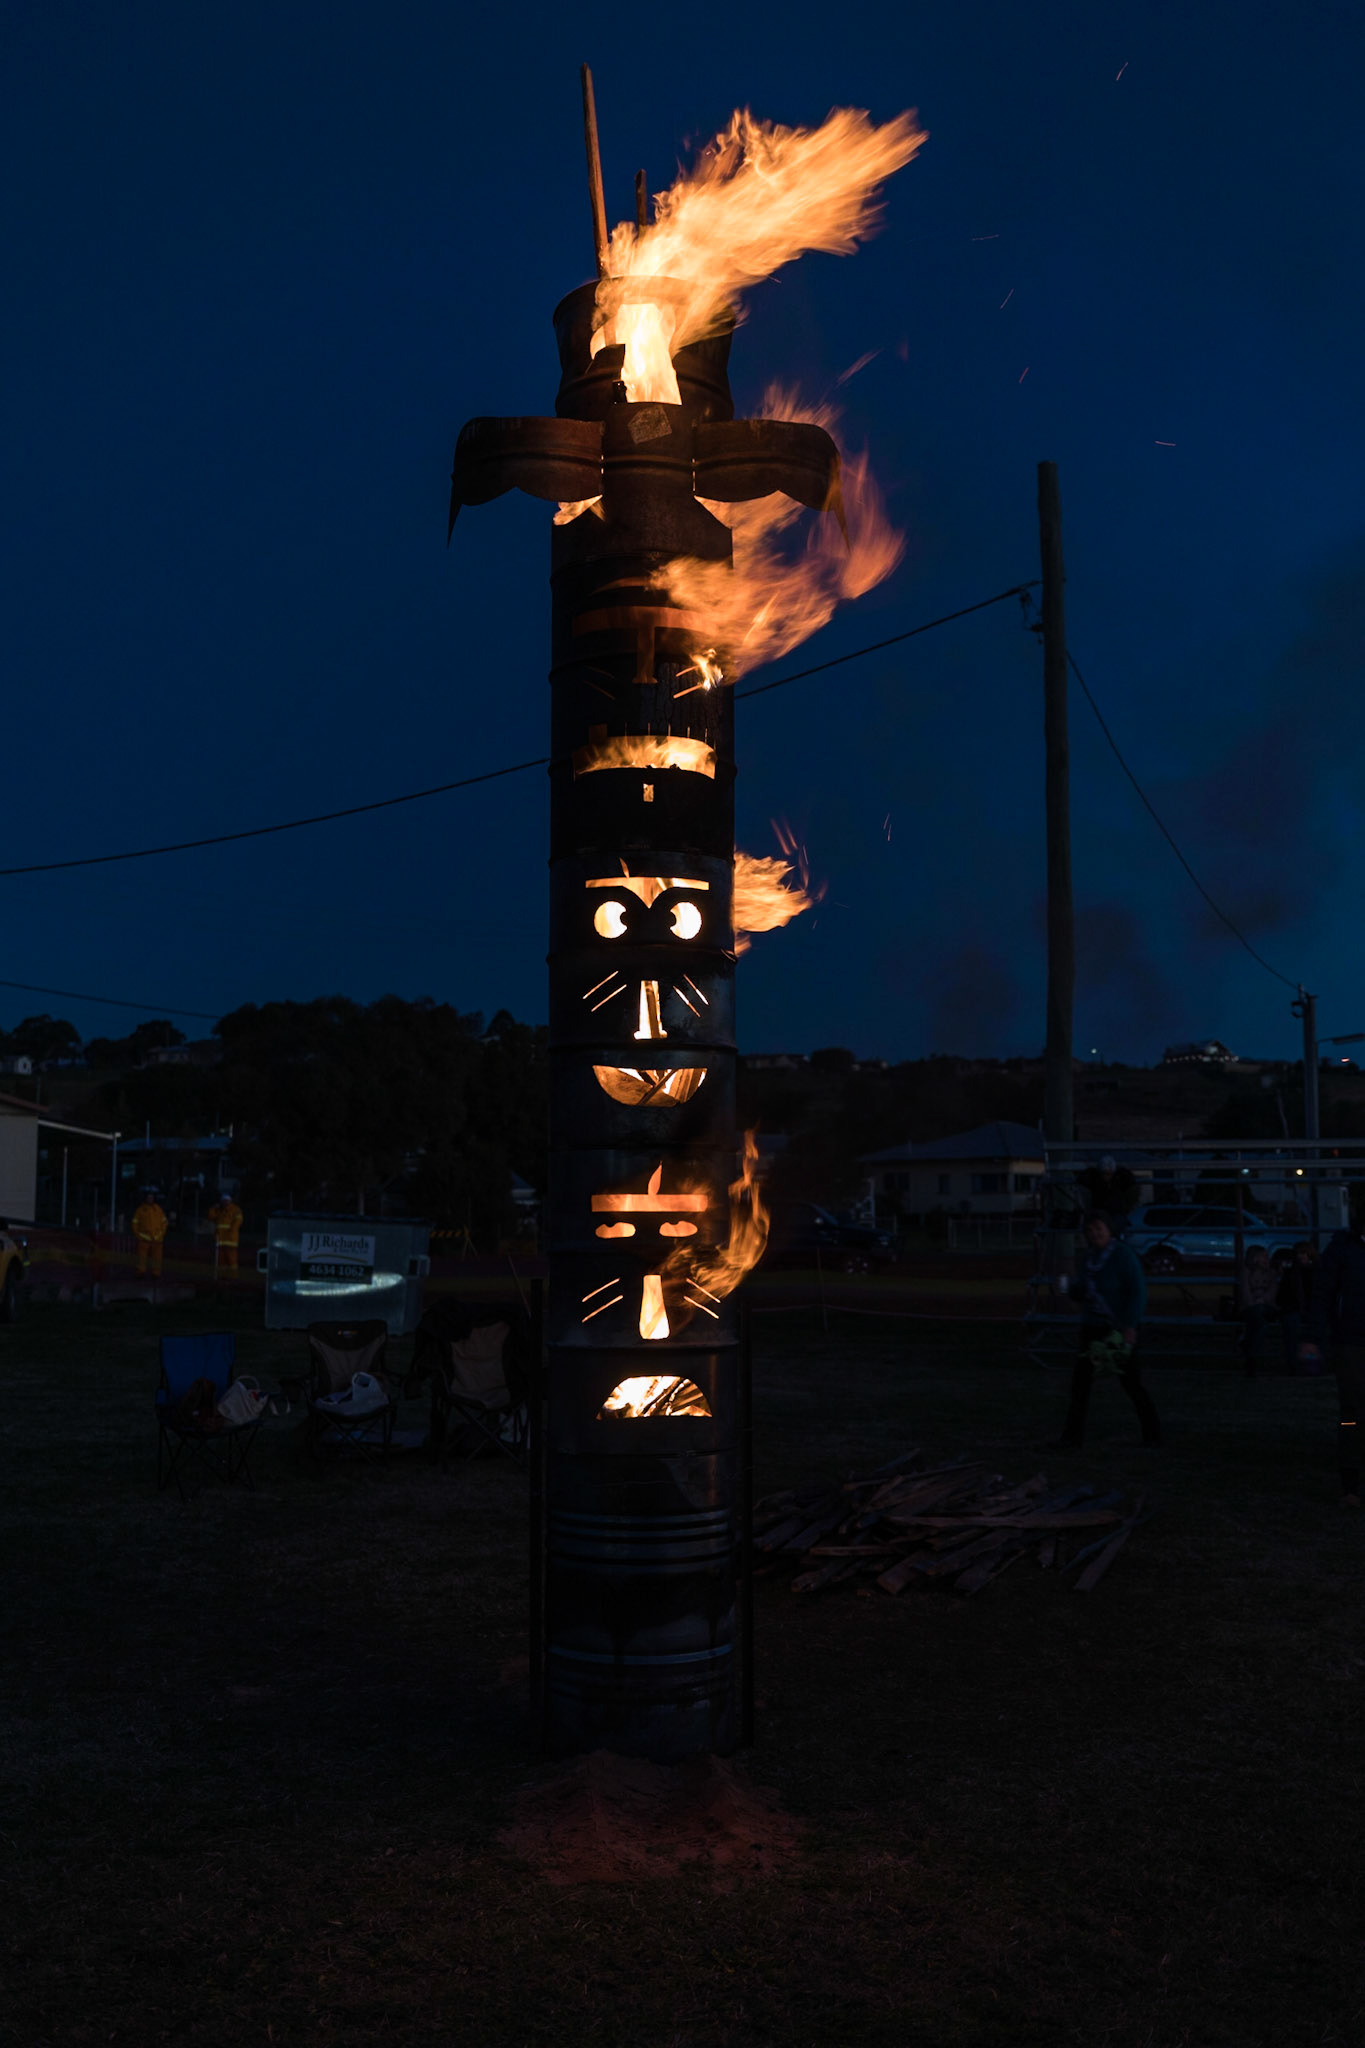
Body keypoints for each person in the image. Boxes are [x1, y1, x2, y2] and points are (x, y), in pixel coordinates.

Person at [1058, 1210, 1162, 1447]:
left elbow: (1137, 1291)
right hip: (1092, 1326)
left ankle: (1153, 1434)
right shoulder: (1088, 1258)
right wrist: (1073, 1290)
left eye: (1099, 1228)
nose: (1094, 1233)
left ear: (1109, 1229)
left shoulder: (1123, 1256)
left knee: (1131, 1383)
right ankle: (1072, 1437)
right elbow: (1083, 1288)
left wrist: (1130, 1326)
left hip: (1117, 1328)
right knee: (1081, 1384)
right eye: (1090, 1230)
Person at [1300, 1221, 1365, 1506]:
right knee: (1352, 1411)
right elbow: (1323, 1293)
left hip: (1350, 1338)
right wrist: (1313, 1336)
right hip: (1352, 1341)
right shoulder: (1342, 1248)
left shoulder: (1343, 1248)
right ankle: (1351, 1483)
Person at [1276, 1241, 1317, 1374]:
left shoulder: (1314, 1272)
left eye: (1303, 1253)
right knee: (1292, 1328)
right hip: (1294, 1309)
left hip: (1304, 1309)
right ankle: (1297, 1364)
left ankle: (1305, 1363)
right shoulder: (1293, 1273)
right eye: (1299, 1253)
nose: (1301, 1256)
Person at [1238, 1243, 1277, 1378]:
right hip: (1251, 1308)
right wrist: (1255, 1301)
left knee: (1258, 1317)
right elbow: (1245, 1293)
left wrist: (1261, 1299)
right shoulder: (1246, 1272)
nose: (1267, 1259)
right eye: (1263, 1256)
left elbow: (1272, 1293)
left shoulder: (1271, 1273)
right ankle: (1252, 1357)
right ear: (1255, 1258)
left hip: (1266, 1307)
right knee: (1260, 1323)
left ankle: (1248, 1350)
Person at [1078, 1156, 1139, 1232]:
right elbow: (1082, 1179)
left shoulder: (1119, 1179)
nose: (1107, 1177)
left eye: (1110, 1174)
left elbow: (1131, 1185)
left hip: (1115, 1213)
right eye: (1105, 1174)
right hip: (1100, 1213)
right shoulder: (1095, 1179)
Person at [132, 1190, 168, 1278]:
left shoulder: (158, 1209)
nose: (150, 1199)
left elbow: (164, 1222)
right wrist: (138, 1235)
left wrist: (161, 1234)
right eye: (148, 1197)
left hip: (157, 1239)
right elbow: (134, 1223)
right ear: (145, 1198)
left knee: (157, 1258)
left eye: (152, 1197)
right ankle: (140, 1273)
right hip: (144, 1239)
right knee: (141, 1257)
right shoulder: (140, 1210)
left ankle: (156, 1274)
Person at [208, 1194, 243, 1274]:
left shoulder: (235, 1209)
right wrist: (213, 1208)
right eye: (224, 1200)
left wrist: (231, 1231)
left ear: (230, 1201)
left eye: (227, 1200)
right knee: (220, 1260)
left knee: (231, 1259)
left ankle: (233, 1276)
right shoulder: (218, 1210)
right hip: (220, 1239)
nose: (225, 1202)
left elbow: (238, 1220)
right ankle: (221, 1276)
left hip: (231, 1239)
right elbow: (211, 1217)